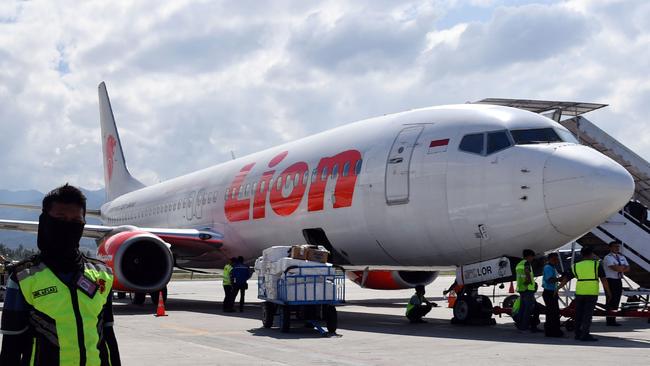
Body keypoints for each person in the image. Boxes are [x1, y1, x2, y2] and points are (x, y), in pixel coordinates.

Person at [0, 184, 121, 365]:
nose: (68, 226)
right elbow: (11, 345)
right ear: (45, 221)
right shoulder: (23, 277)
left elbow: (108, 336)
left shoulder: (102, 275)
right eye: (60, 218)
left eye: (75, 221)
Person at [563, 246, 611, 342]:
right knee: (587, 315)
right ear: (591, 254)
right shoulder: (596, 265)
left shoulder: (576, 265)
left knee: (578, 314)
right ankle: (585, 335)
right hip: (591, 292)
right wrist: (608, 291)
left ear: (581, 254)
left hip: (580, 291)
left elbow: (566, 278)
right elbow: (603, 280)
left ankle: (577, 334)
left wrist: (558, 288)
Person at [603, 240, 629, 326]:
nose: (617, 248)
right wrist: (622, 268)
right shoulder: (608, 257)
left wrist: (620, 268)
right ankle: (609, 320)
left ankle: (613, 319)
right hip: (610, 280)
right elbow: (614, 268)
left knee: (617, 299)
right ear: (610, 248)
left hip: (618, 280)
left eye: (618, 247)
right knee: (610, 299)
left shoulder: (621, 257)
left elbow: (628, 268)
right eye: (615, 246)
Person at [515, 249, 539, 332]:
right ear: (529, 256)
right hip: (527, 289)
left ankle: (519, 324)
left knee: (522, 309)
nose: (532, 258)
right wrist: (528, 282)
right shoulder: (526, 263)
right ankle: (524, 326)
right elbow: (527, 275)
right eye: (532, 257)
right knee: (527, 310)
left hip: (521, 289)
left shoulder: (519, 264)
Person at [542, 253, 564, 337]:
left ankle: (552, 330)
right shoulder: (548, 267)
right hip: (549, 292)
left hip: (552, 292)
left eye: (557, 259)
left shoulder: (552, 267)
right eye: (555, 259)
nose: (557, 261)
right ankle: (552, 331)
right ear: (550, 259)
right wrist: (560, 279)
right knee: (552, 313)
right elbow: (549, 280)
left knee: (553, 313)